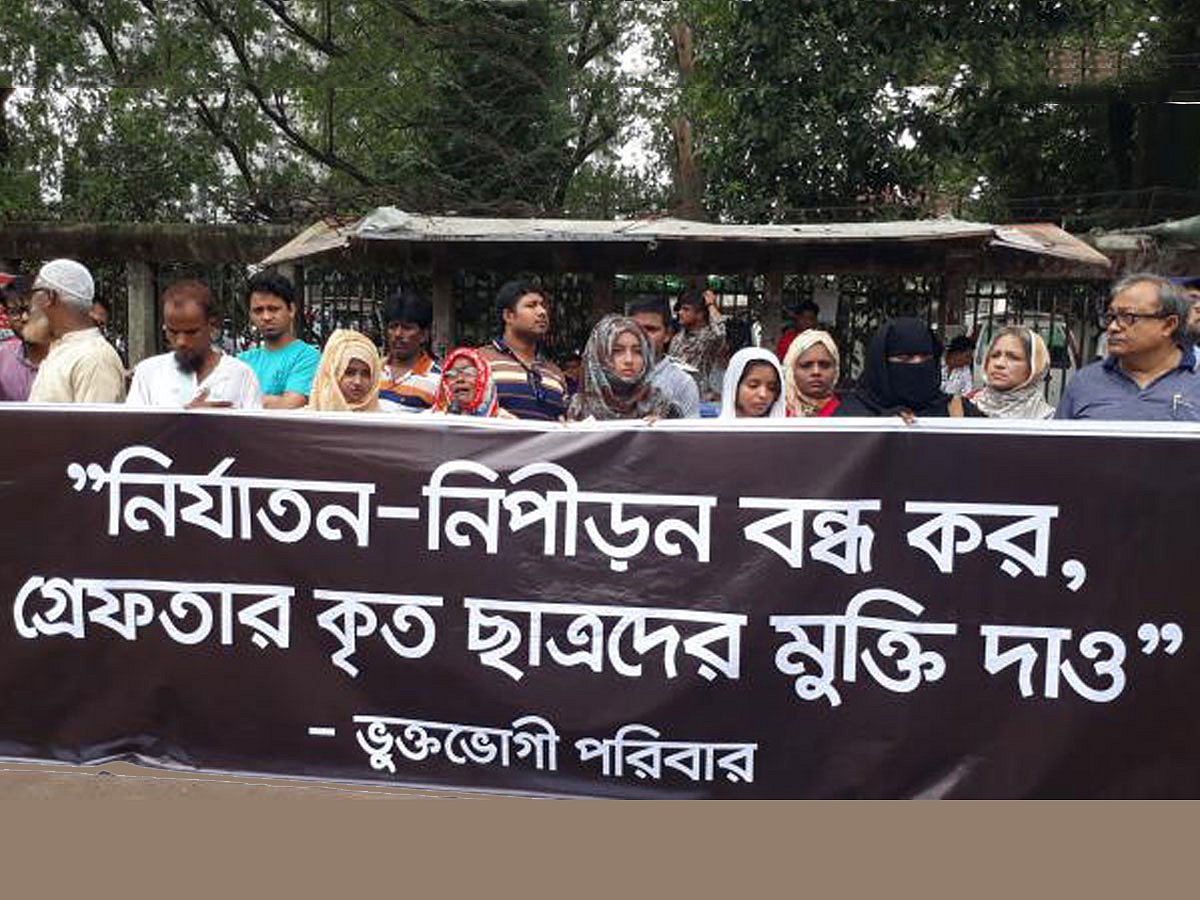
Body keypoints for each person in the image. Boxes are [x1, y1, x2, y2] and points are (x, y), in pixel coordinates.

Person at [1057, 274, 1200, 421]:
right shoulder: (1084, 382)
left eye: (1128, 317)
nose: (1113, 327)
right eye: (1111, 317)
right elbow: (1058, 443)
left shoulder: (1195, 380)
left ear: (1168, 325)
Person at [126, 280, 262, 409]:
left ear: (212, 326)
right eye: (173, 331)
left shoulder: (241, 375)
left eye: (191, 332)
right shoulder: (148, 373)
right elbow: (133, 431)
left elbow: (256, 432)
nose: (181, 342)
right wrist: (190, 420)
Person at [26, 259, 126, 403]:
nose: (31, 304)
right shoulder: (62, 348)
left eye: (34, 293)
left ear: (49, 297)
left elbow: (98, 424)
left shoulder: (95, 358)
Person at [840, 317, 984, 418]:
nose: (917, 363)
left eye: (925, 357)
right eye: (905, 358)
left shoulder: (958, 410)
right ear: (882, 364)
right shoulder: (851, 415)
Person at [477, 280, 568, 420]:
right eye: (531, 306)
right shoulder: (479, 361)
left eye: (543, 306)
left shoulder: (555, 373)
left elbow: (564, 422)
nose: (542, 312)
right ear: (508, 316)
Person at [567, 314, 680, 421]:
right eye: (617, 351)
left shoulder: (661, 406)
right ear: (599, 356)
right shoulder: (580, 408)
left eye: (638, 351)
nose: (629, 360)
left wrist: (662, 432)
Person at [238, 271, 320, 409]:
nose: (266, 317)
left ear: (291, 310)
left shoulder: (307, 357)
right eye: (258, 310)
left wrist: (240, 400)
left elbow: (290, 404)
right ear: (250, 315)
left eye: (273, 309)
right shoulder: (243, 360)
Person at [628, 295, 700, 418]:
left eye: (650, 329)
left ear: (667, 334)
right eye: (635, 329)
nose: (642, 336)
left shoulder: (682, 383)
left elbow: (690, 435)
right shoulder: (610, 376)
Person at [966, 326, 1055, 420]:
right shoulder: (964, 408)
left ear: (1034, 366)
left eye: (1013, 357)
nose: (999, 364)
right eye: (994, 355)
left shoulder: (1049, 419)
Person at [378, 288, 441, 412]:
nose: (398, 334)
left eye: (407, 328)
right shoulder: (370, 371)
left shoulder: (438, 380)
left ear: (424, 335)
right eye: (393, 327)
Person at [668, 288, 726, 402]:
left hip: (699, 398)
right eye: (680, 309)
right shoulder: (677, 338)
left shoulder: (708, 337)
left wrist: (710, 305)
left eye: (686, 310)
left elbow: (721, 331)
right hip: (675, 397)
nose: (680, 313)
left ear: (699, 315)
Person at [307, 329, 384, 412]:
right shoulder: (302, 419)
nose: (357, 382)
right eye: (349, 373)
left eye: (366, 374)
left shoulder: (388, 418)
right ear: (333, 373)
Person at [0, 279, 49, 401]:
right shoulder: (3, 356)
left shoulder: (69, 357)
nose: (24, 318)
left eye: (29, 309)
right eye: (14, 312)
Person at [432, 346, 515, 418]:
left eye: (469, 372)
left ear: (485, 379)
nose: (460, 379)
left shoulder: (505, 422)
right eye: (451, 374)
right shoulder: (432, 419)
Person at [782, 329, 843, 417]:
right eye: (806, 365)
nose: (816, 372)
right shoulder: (776, 412)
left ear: (835, 370)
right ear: (792, 370)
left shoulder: (850, 414)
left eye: (824, 365)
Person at [719, 347, 786, 418]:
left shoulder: (788, 428)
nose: (763, 394)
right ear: (734, 386)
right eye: (753, 386)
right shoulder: (712, 428)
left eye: (771, 388)